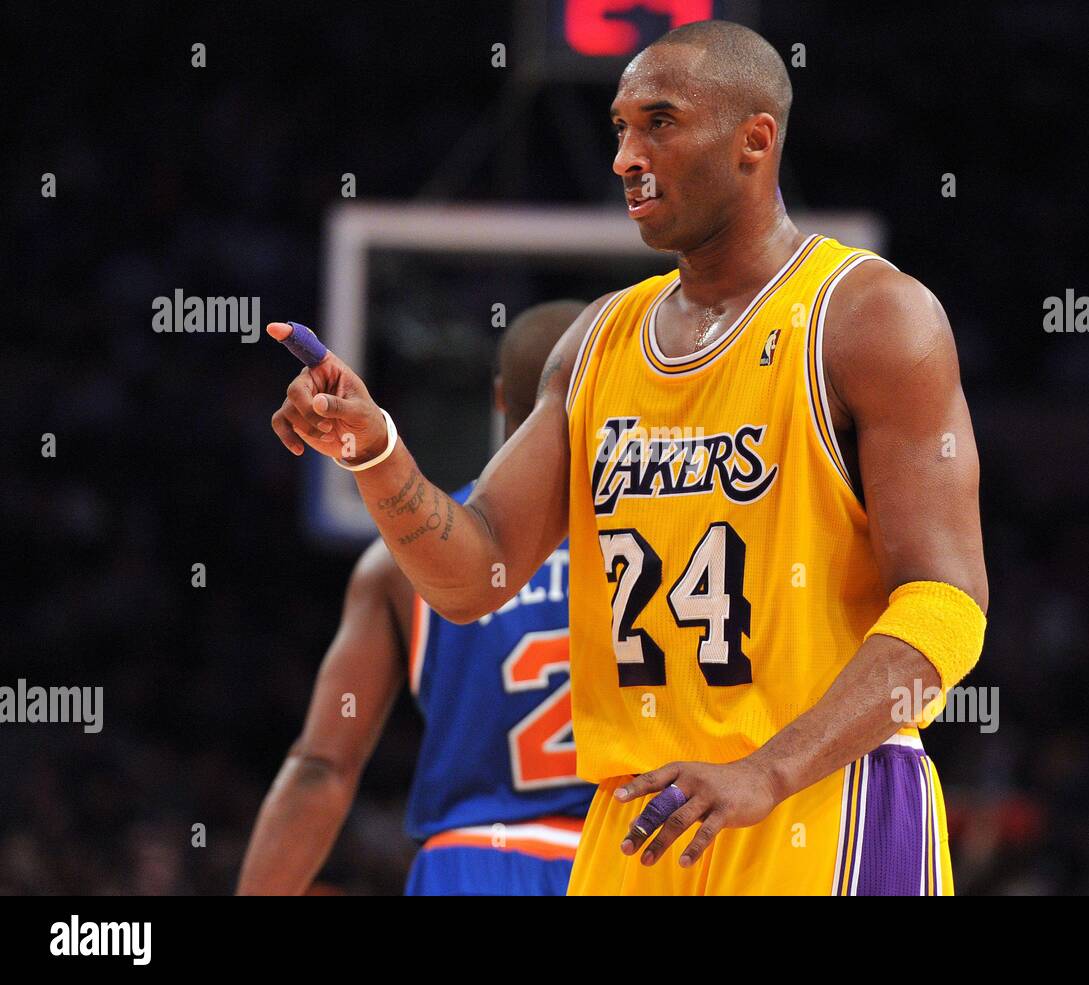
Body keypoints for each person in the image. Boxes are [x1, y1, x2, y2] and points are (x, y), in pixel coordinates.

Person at [267, 20, 987, 896]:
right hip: (638, 817)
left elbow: (948, 611)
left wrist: (766, 769)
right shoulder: (597, 343)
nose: (624, 156)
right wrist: (376, 451)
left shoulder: (871, 316)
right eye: (618, 128)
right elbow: (476, 577)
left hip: (820, 799)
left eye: (659, 121)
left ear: (755, 139)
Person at [242, 300, 593, 896]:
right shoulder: (661, 544)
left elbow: (321, 766)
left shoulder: (399, 562)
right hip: (628, 859)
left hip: (470, 863)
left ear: (500, 398)